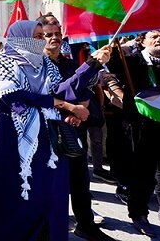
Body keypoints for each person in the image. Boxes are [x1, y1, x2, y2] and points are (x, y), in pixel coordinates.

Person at [0, 20, 109, 241]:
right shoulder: (2, 59)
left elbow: (62, 91)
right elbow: (12, 98)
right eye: (38, 36)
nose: (42, 40)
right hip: (18, 143)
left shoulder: (46, 64)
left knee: (49, 197)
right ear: (21, 37)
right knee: (20, 199)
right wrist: (63, 106)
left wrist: (92, 65)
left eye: (43, 35)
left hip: (50, 143)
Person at [107, 28, 160, 237]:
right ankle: (138, 214)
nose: (159, 39)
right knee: (142, 173)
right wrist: (114, 44)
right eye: (153, 36)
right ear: (142, 42)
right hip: (140, 126)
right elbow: (111, 66)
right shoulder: (132, 60)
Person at [41, 23, 115, 241]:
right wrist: (69, 109)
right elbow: (55, 92)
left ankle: (85, 224)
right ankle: (53, 228)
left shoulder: (71, 63)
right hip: (50, 132)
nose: (54, 38)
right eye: (48, 35)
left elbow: (84, 89)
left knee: (80, 181)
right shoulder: (38, 66)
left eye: (57, 34)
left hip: (75, 130)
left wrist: (79, 109)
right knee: (54, 183)